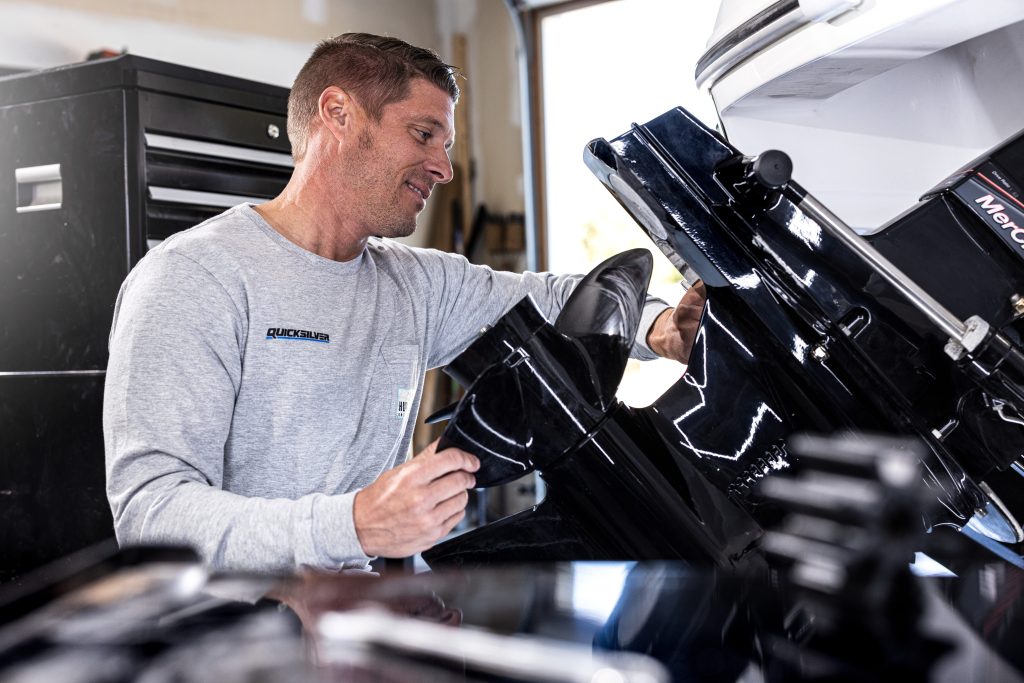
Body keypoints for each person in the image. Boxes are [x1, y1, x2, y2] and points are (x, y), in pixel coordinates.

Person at [103, 33, 705, 574]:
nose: (443, 168)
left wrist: (658, 326)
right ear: (337, 114)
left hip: (377, 620)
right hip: (247, 646)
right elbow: (152, 515)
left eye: (445, 145)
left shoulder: (416, 285)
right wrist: (355, 525)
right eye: (423, 135)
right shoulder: (195, 278)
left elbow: (553, 298)